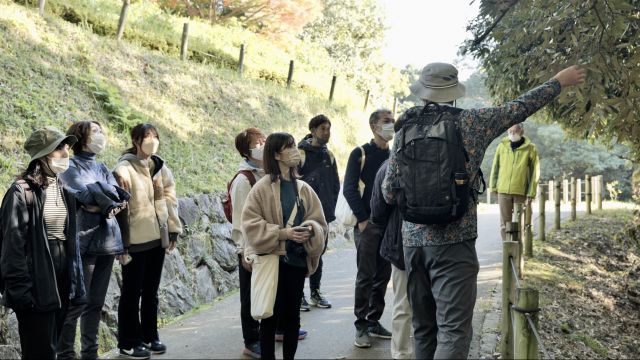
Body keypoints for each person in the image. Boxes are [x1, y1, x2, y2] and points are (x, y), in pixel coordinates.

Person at [382, 63, 586, 359]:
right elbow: (518, 108)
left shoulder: (404, 128)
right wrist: (557, 82)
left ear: (424, 93)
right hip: (455, 242)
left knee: (423, 329)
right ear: (452, 94)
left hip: (412, 243)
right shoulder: (471, 122)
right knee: (453, 332)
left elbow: (389, 191)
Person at [0, 126, 86, 359]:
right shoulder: (21, 192)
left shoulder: (64, 190)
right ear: (42, 155)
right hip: (35, 282)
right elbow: (12, 245)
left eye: (66, 147)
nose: (65, 153)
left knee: (53, 349)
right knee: (39, 352)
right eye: (58, 148)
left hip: (61, 281)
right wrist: (20, 292)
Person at [241, 132, 328, 360]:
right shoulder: (261, 188)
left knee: (293, 319)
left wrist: (310, 229)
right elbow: (250, 225)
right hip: (273, 262)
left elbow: (320, 222)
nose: (294, 151)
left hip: (297, 262)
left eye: (293, 146)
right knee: (270, 318)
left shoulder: (303, 189)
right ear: (277, 154)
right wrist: (283, 233)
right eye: (289, 147)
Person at [57, 121, 129, 360]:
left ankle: (90, 354)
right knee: (77, 302)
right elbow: (83, 194)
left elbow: (118, 197)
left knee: (96, 304)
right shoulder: (70, 166)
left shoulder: (101, 167)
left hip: (108, 242)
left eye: (101, 131)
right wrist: (101, 197)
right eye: (95, 131)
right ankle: (66, 353)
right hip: (84, 243)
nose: (100, 135)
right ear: (81, 137)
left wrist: (97, 200)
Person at [113, 123, 182, 359]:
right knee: (131, 293)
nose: (152, 140)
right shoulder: (123, 168)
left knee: (151, 292)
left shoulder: (159, 166)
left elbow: (170, 199)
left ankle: (150, 336)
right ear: (136, 140)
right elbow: (119, 207)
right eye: (147, 137)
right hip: (134, 241)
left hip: (157, 239)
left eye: (155, 136)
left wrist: (173, 229)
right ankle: (128, 341)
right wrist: (121, 244)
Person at [344, 109, 395, 348]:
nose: (391, 125)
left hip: (388, 226)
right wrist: (363, 220)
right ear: (374, 126)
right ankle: (361, 325)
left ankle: (374, 320)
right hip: (368, 225)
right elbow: (350, 189)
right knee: (365, 276)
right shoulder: (360, 153)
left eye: (393, 121)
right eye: (386, 122)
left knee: (383, 276)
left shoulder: (395, 155)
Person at [370, 157, 413, 359]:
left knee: (403, 304)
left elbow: (377, 212)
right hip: (437, 245)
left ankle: (401, 354)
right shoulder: (440, 156)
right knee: (432, 305)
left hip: (401, 244)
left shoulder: (389, 166)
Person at [230, 127, 266, 359]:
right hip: (250, 247)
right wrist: (245, 251)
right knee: (249, 296)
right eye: (257, 142)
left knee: (264, 292)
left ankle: (263, 335)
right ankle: (251, 341)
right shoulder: (244, 179)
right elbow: (240, 220)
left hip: (266, 242)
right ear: (246, 150)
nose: (262, 144)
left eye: (264, 139)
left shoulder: (266, 173)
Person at [297, 115, 340, 310]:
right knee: (300, 252)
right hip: (302, 214)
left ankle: (315, 292)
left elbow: (335, 185)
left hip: (323, 214)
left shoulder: (329, 155)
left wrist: (329, 208)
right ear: (313, 130)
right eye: (323, 128)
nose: (327, 132)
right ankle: (298, 295)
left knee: (319, 252)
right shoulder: (300, 154)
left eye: (329, 128)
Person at [489, 123, 540, 240]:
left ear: (521, 132)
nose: (511, 134)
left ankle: (518, 250)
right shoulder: (501, 146)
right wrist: (493, 186)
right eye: (509, 131)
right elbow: (495, 167)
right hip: (503, 190)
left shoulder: (531, 148)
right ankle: (507, 250)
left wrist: (531, 192)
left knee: (520, 224)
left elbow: (535, 173)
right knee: (504, 225)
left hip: (520, 192)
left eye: (514, 131)